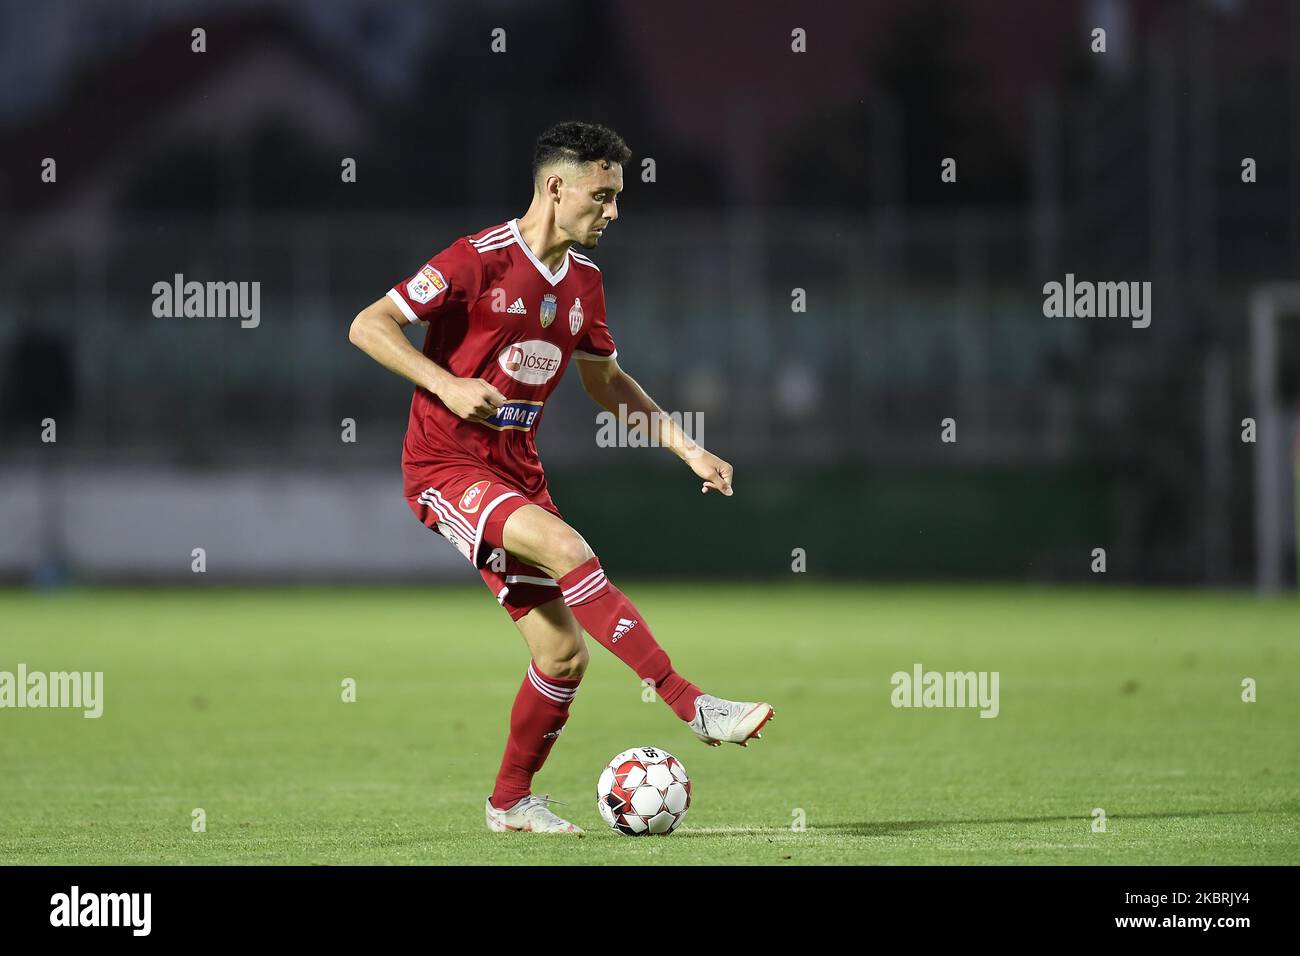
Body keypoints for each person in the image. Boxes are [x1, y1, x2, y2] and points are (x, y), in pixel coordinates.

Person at [348, 120, 773, 834]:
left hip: (516, 474)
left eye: (617, 198)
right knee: (570, 549)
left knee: (563, 655)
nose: (613, 212)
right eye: (602, 196)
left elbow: (608, 385)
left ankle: (510, 802)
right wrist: (446, 385)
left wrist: (688, 448)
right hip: (445, 467)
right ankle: (692, 704)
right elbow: (369, 324)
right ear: (556, 187)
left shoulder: (584, 283)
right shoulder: (473, 260)